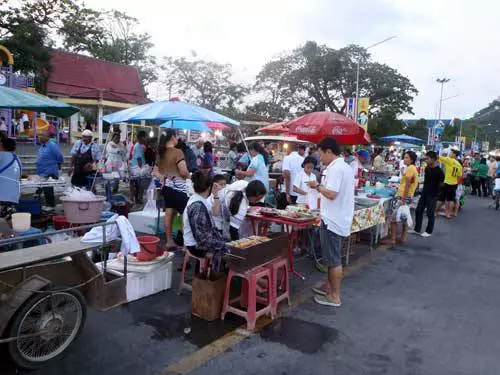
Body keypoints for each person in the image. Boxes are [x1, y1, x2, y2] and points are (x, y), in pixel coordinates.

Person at [307, 138, 354, 308]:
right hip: (336, 217)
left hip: (334, 220)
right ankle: (329, 288)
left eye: (320, 154)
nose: (320, 158)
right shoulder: (343, 167)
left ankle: (335, 296)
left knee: (333, 259)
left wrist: (317, 186)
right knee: (331, 257)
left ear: (328, 151)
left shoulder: (336, 168)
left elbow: (332, 194)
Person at [183, 171, 231, 263]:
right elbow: (203, 240)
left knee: (230, 245)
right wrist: (224, 245)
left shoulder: (197, 199)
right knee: (233, 253)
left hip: (197, 241)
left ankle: (216, 272)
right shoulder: (198, 206)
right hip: (195, 246)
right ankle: (215, 274)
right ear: (209, 187)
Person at [154, 129, 189, 249]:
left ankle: (169, 241)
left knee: (169, 212)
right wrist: (189, 176)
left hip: (166, 188)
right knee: (184, 214)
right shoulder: (177, 152)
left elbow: (155, 171)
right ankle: (186, 244)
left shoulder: (161, 153)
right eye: (177, 136)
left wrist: (163, 177)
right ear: (173, 137)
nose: (178, 138)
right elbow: (183, 172)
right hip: (179, 188)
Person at [382, 151, 418, 246]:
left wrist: (403, 199)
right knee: (404, 217)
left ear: (412, 159)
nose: (404, 159)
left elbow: (407, 184)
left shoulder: (411, 168)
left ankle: (393, 239)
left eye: (407, 158)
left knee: (394, 219)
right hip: (407, 196)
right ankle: (403, 237)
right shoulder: (412, 168)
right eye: (404, 157)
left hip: (403, 196)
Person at [413, 151, 444, 237]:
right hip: (424, 193)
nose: (426, 160)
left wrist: (438, 194)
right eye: (425, 158)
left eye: (427, 158)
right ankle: (417, 229)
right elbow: (426, 180)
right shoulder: (427, 168)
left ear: (433, 159)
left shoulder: (439, 171)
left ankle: (429, 231)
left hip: (433, 194)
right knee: (418, 210)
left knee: (430, 213)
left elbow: (442, 184)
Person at [36, 129, 64, 208]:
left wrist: (58, 165)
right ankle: (47, 205)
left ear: (46, 137)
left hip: (50, 171)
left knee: (48, 189)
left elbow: (59, 156)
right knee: (43, 190)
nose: (39, 137)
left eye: (41, 136)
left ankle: (51, 206)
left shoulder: (52, 145)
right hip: (42, 172)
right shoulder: (42, 146)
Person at [437, 149, 463, 218]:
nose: (450, 153)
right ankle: (448, 214)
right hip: (454, 184)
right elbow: (459, 176)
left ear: (454, 154)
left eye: (451, 152)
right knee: (451, 199)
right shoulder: (459, 165)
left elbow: (438, 157)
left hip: (447, 182)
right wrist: (456, 183)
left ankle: (435, 212)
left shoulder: (449, 160)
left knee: (441, 198)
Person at [0, 135, 21, 219]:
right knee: (8, 223)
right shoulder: (17, 158)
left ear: (1, 145)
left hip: (2, 196)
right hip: (13, 197)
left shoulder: (1, 156)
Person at [129, 131, 148, 205]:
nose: (146, 139)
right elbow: (139, 158)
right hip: (137, 168)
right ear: (141, 137)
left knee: (137, 185)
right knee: (138, 185)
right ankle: (137, 199)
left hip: (136, 167)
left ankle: (137, 199)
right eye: (145, 137)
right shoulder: (138, 146)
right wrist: (141, 169)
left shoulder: (138, 145)